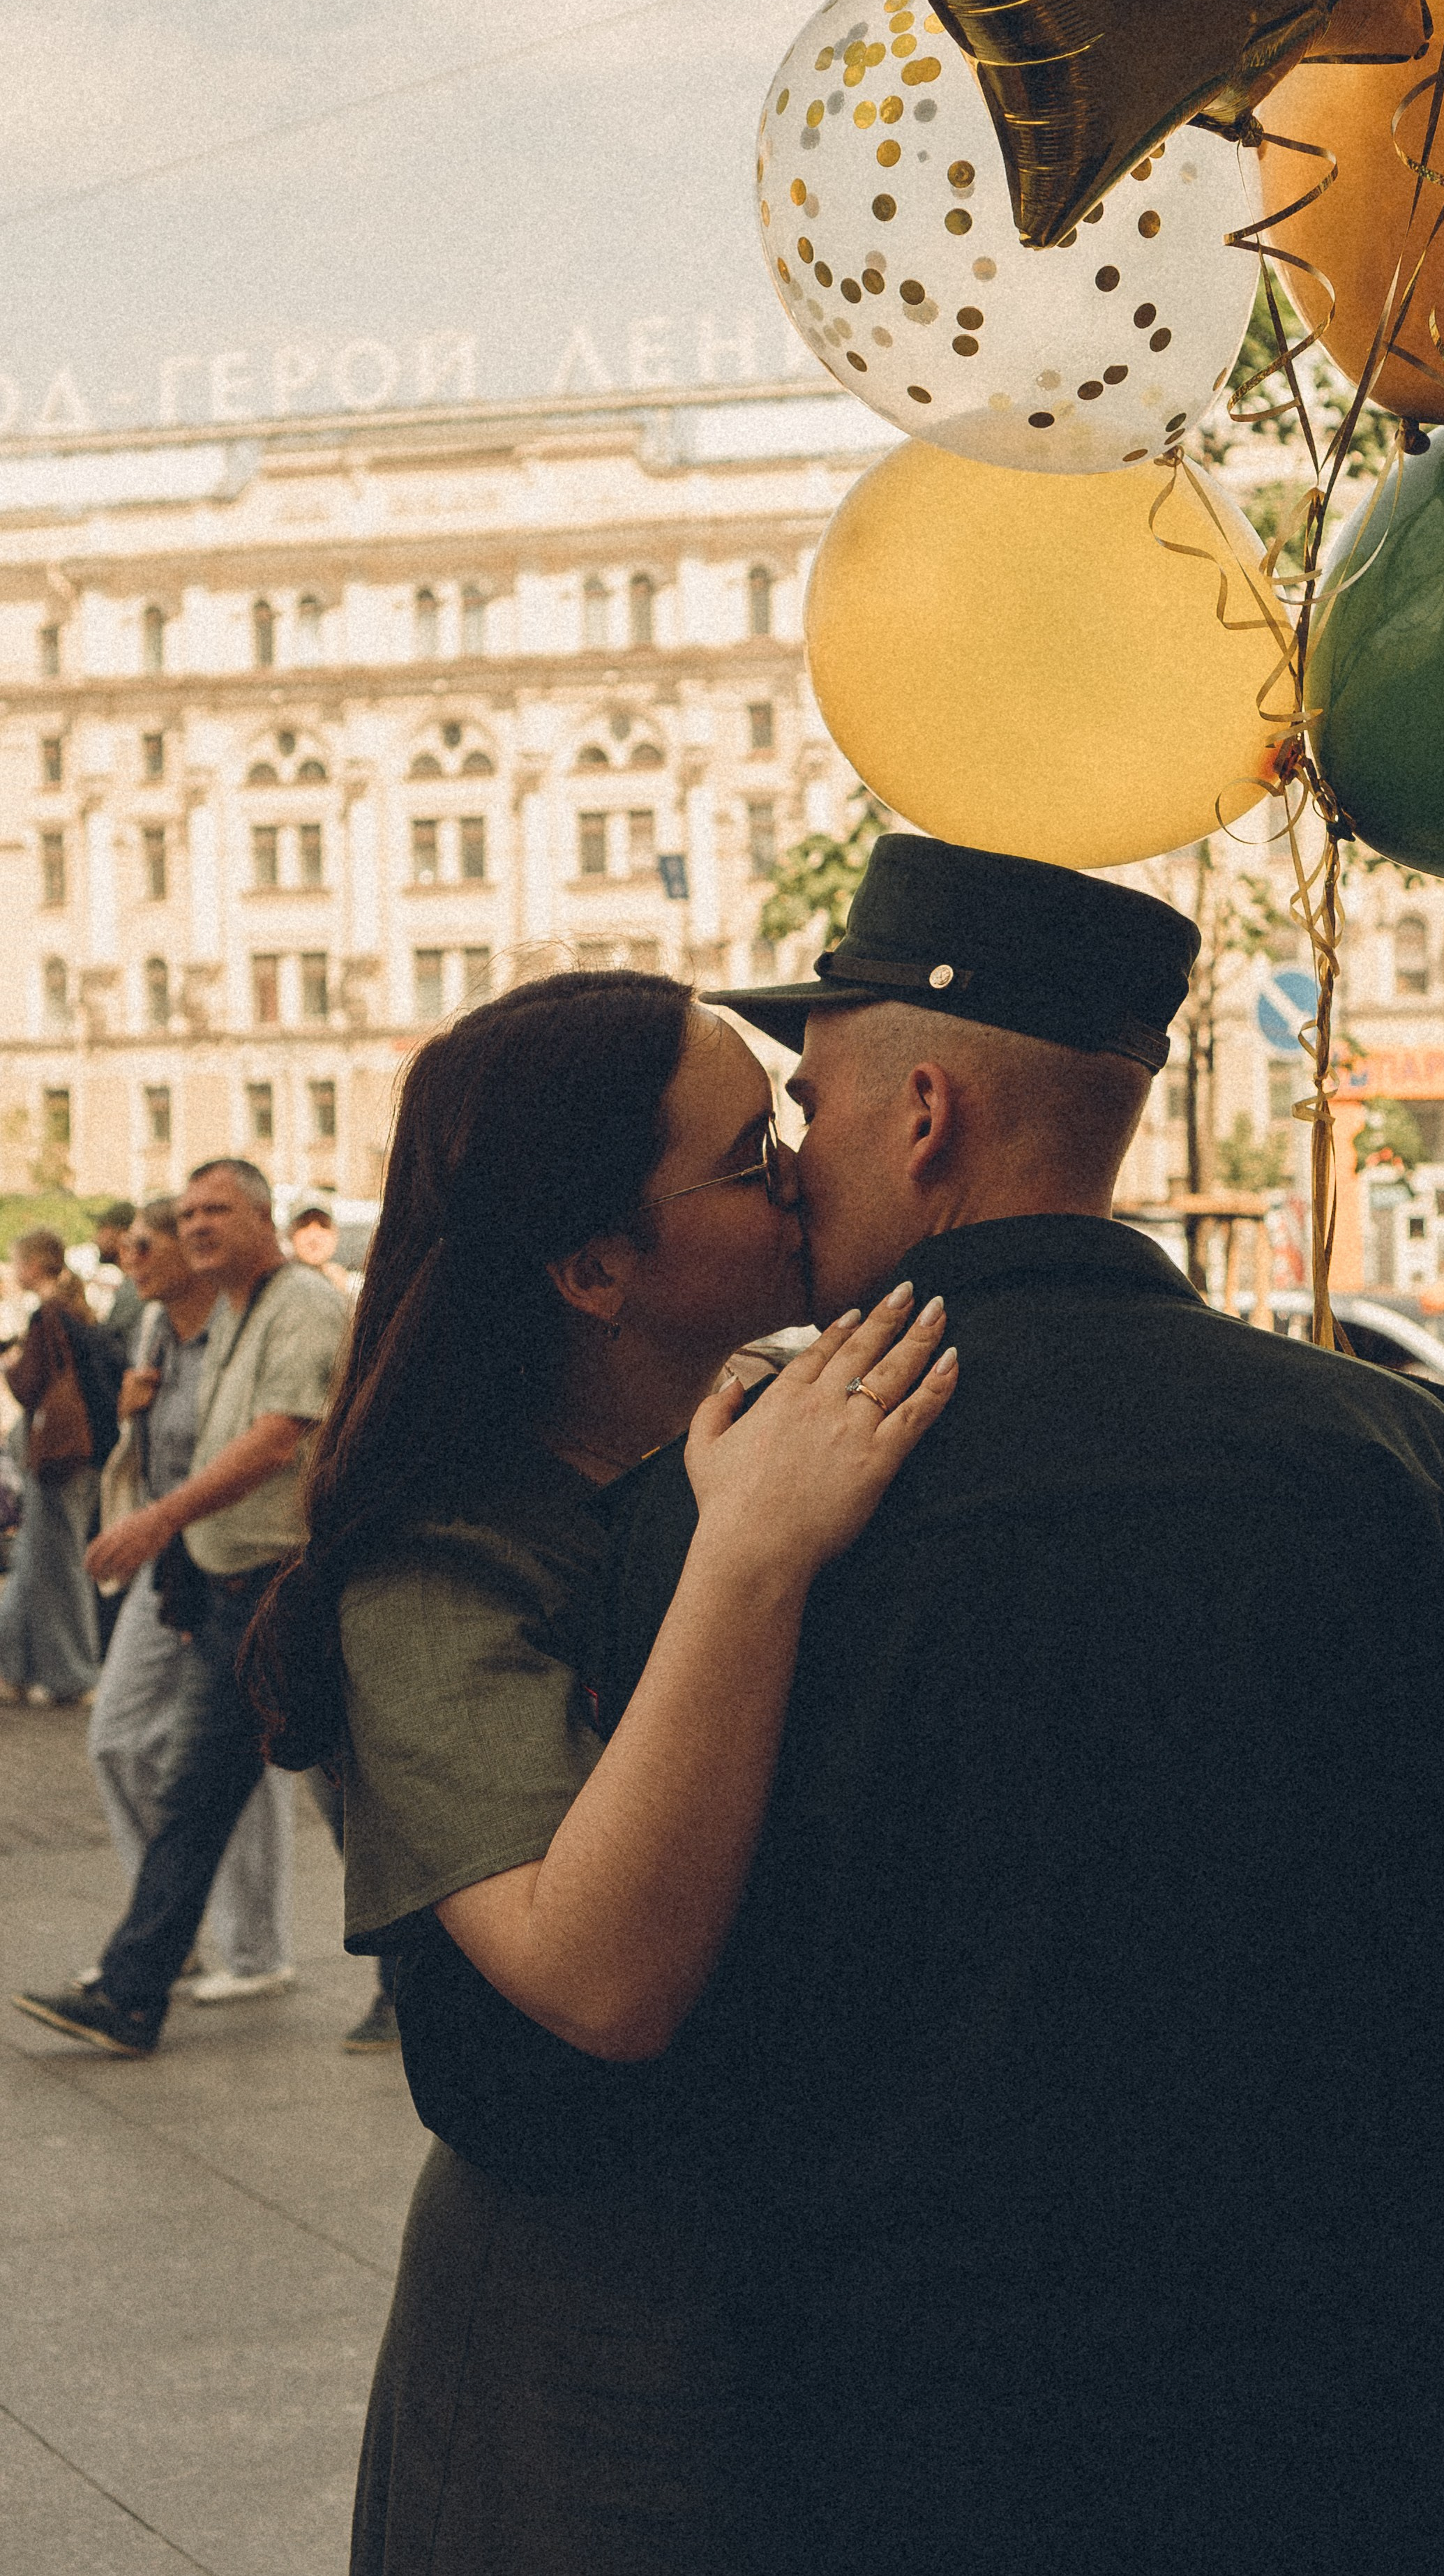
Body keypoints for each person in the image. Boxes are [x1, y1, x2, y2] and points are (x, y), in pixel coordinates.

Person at [602, 836, 1444, 2575]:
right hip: (1355, 2429)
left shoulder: (718, 1513)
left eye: (814, 1106)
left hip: (908, 2439)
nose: (794, 1166)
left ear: (926, 1110)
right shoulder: (1403, 1464)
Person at [237, 968, 954, 2574]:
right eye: (745, 1152)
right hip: (594, 2339)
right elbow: (601, 1972)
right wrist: (752, 1563)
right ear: (593, 1266)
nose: (798, 1167)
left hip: (840, 2281)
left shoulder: (779, 1432)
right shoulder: (441, 1564)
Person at [15, 1159, 347, 2053]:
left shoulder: (303, 1304)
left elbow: (281, 1436)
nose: (197, 1225)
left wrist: (158, 1521)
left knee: (351, 1794)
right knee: (197, 1796)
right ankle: (132, 1992)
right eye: (188, 1210)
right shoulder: (229, 1309)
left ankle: (405, 1980)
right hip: (232, 1585)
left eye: (216, 1210)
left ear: (261, 1215)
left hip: (291, 1589)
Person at [84, 1198, 298, 2003]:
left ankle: (249, 1947)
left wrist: (167, 1515)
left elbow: (274, 1439)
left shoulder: (239, 1331)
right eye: (127, 1243)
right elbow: (154, 1452)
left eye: (145, 1241)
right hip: (166, 1562)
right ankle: (164, 1928)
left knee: (245, 1759)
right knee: (118, 1741)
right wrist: (128, 1413)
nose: (129, 1255)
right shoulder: (150, 1333)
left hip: (234, 1561)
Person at [0, 1230, 121, 1708]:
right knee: (34, 1558)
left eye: (16, 1259)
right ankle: (10, 1664)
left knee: (61, 1563)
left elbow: (30, 1387)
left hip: (58, 1455)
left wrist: (10, 1363)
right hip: (83, 1453)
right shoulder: (77, 1306)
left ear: (34, 1264)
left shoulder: (47, 1313)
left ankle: (74, 1673)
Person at [93, 1200, 144, 1362]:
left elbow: (109, 1350)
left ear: (122, 1235)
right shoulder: (131, 1285)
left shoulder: (136, 1288)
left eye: (102, 1229)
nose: (95, 1238)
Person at [288, 1203, 354, 1300]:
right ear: (290, 1233)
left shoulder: (350, 1285)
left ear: (335, 1234)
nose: (314, 1236)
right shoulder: (277, 1284)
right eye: (304, 1224)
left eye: (324, 1224)